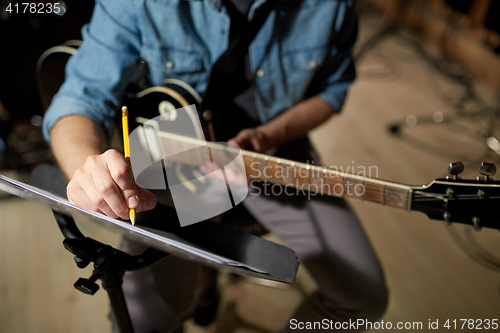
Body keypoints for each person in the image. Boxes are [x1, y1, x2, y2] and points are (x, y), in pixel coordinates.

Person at [43, 0, 388, 332]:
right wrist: (84, 169)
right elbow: (80, 97)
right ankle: (201, 282)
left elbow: (332, 91)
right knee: (144, 322)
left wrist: (268, 136)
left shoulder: (332, 4)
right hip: (179, 156)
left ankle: (204, 279)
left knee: (361, 298)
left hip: (274, 152)